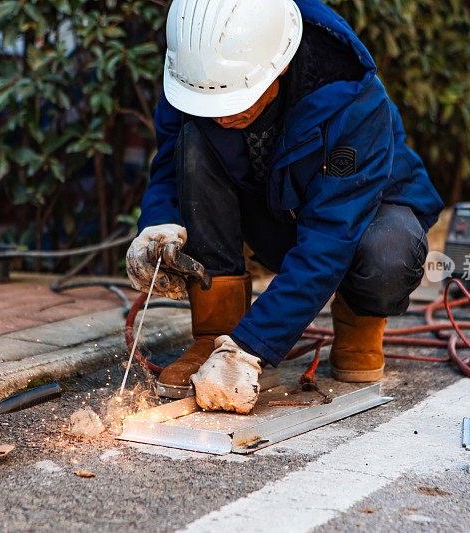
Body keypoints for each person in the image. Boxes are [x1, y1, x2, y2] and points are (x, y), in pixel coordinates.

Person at [126, 0, 444, 414]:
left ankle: (358, 327)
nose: (220, 117)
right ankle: (215, 334)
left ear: (279, 65)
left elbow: (331, 237)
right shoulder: (197, 70)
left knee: (388, 252)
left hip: (363, 219)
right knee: (193, 144)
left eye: (234, 101)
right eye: (211, 105)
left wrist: (252, 347)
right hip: (274, 212)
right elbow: (171, 163)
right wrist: (158, 225)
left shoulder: (352, 99)